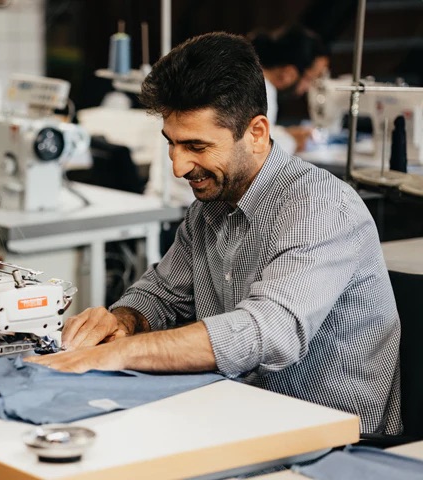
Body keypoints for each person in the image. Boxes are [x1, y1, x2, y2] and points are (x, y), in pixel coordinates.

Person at [27, 32, 401, 436]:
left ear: (256, 133)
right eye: (171, 144)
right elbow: (159, 295)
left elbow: (267, 332)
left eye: (197, 146)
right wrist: (123, 322)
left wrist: (121, 353)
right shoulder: (209, 208)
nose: (178, 166)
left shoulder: (320, 207)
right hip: (240, 414)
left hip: (332, 440)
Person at [250, 24, 330, 154]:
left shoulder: (255, 81)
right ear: (289, 73)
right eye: (310, 79)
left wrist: (286, 133)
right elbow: (256, 149)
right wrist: (291, 141)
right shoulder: (262, 92)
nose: (308, 88)